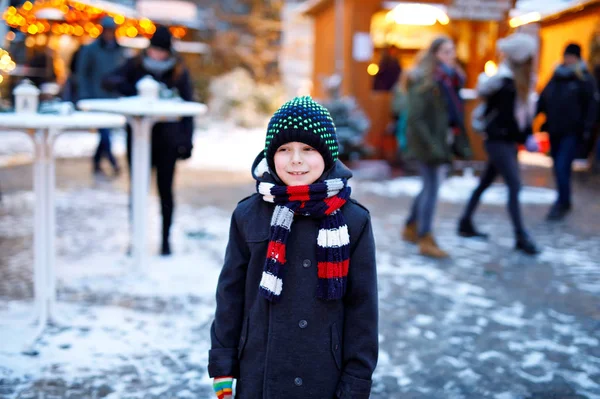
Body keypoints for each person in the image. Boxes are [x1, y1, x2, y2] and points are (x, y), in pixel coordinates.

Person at [208, 96, 378, 399]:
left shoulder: (354, 221)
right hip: (259, 372)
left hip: (323, 374)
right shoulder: (248, 215)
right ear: (270, 156)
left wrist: (356, 382)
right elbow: (230, 294)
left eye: (308, 149)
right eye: (284, 150)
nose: (295, 159)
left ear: (327, 155)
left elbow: (362, 309)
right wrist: (223, 363)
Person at [102, 25, 195, 256]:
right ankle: (136, 239)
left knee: (166, 191)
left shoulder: (179, 71)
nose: (157, 55)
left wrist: (187, 140)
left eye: (162, 51)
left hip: (168, 141)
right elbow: (109, 80)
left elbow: (188, 107)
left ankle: (165, 241)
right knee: (137, 190)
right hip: (139, 140)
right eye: (154, 50)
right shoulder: (135, 65)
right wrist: (128, 88)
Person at [458, 33, 540, 255]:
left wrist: (526, 136)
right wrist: (525, 137)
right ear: (523, 58)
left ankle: (465, 222)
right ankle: (520, 235)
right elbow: (507, 120)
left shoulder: (518, 84)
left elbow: (520, 118)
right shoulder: (507, 85)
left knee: (485, 183)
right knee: (514, 185)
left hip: (504, 142)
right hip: (498, 142)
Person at [402, 36, 472, 258]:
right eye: (444, 51)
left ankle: (411, 225)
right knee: (432, 188)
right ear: (434, 54)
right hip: (428, 143)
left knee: (429, 186)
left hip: (441, 141)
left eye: (452, 51)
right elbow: (416, 117)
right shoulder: (426, 80)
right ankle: (426, 237)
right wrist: (432, 145)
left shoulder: (450, 79)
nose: (450, 55)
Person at [537, 43, 599, 220]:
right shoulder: (557, 76)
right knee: (557, 167)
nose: (567, 59)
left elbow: (592, 107)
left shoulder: (585, 79)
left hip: (573, 132)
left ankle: (561, 203)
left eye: (570, 56)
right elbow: (544, 98)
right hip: (555, 130)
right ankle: (564, 200)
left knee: (562, 166)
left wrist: (587, 130)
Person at [77, 16, 126, 177]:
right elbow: (82, 73)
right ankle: (113, 162)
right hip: (95, 98)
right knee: (105, 132)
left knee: (106, 133)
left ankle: (97, 161)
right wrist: (84, 95)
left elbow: (124, 73)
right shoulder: (90, 50)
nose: (109, 34)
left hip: (113, 99)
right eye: (107, 31)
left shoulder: (120, 51)